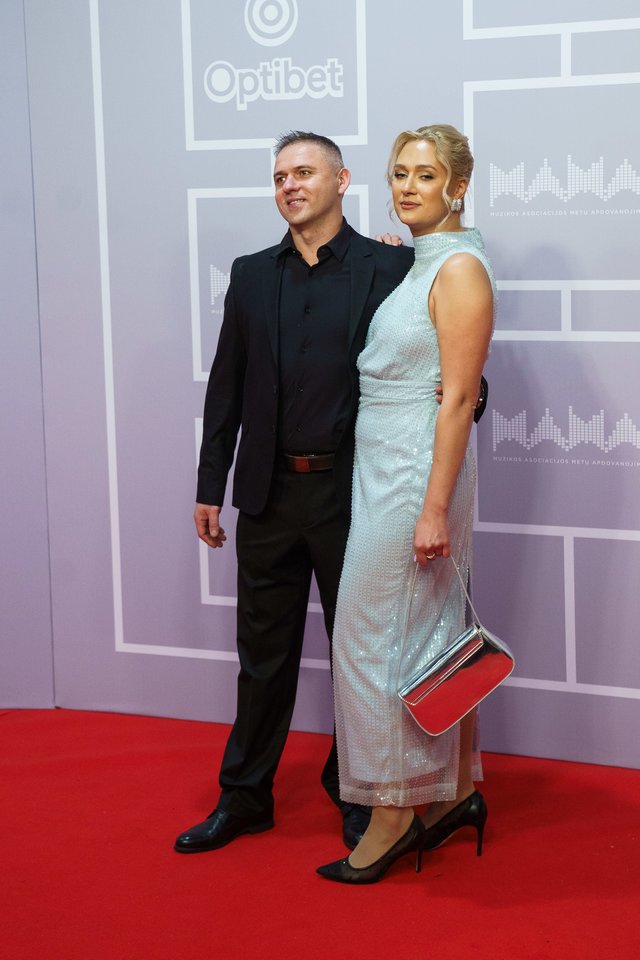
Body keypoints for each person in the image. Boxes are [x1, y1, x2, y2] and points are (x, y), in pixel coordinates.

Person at [174, 131, 486, 855]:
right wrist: (210, 483)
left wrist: (468, 398)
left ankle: (360, 798)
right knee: (262, 657)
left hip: (354, 495)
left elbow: (446, 362)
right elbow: (226, 386)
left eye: (305, 172)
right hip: (267, 494)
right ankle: (244, 796)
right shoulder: (251, 275)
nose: (290, 185)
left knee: (365, 657)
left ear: (341, 181)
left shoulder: (392, 265)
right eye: (280, 176)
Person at [316, 124, 496, 884]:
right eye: (399, 173)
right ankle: (452, 792)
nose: (409, 186)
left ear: (459, 186)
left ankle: (392, 814)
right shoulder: (425, 261)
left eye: (426, 175)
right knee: (425, 636)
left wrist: (433, 509)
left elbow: (456, 400)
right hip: (384, 470)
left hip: (415, 479)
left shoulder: (460, 270)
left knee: (372, 643)